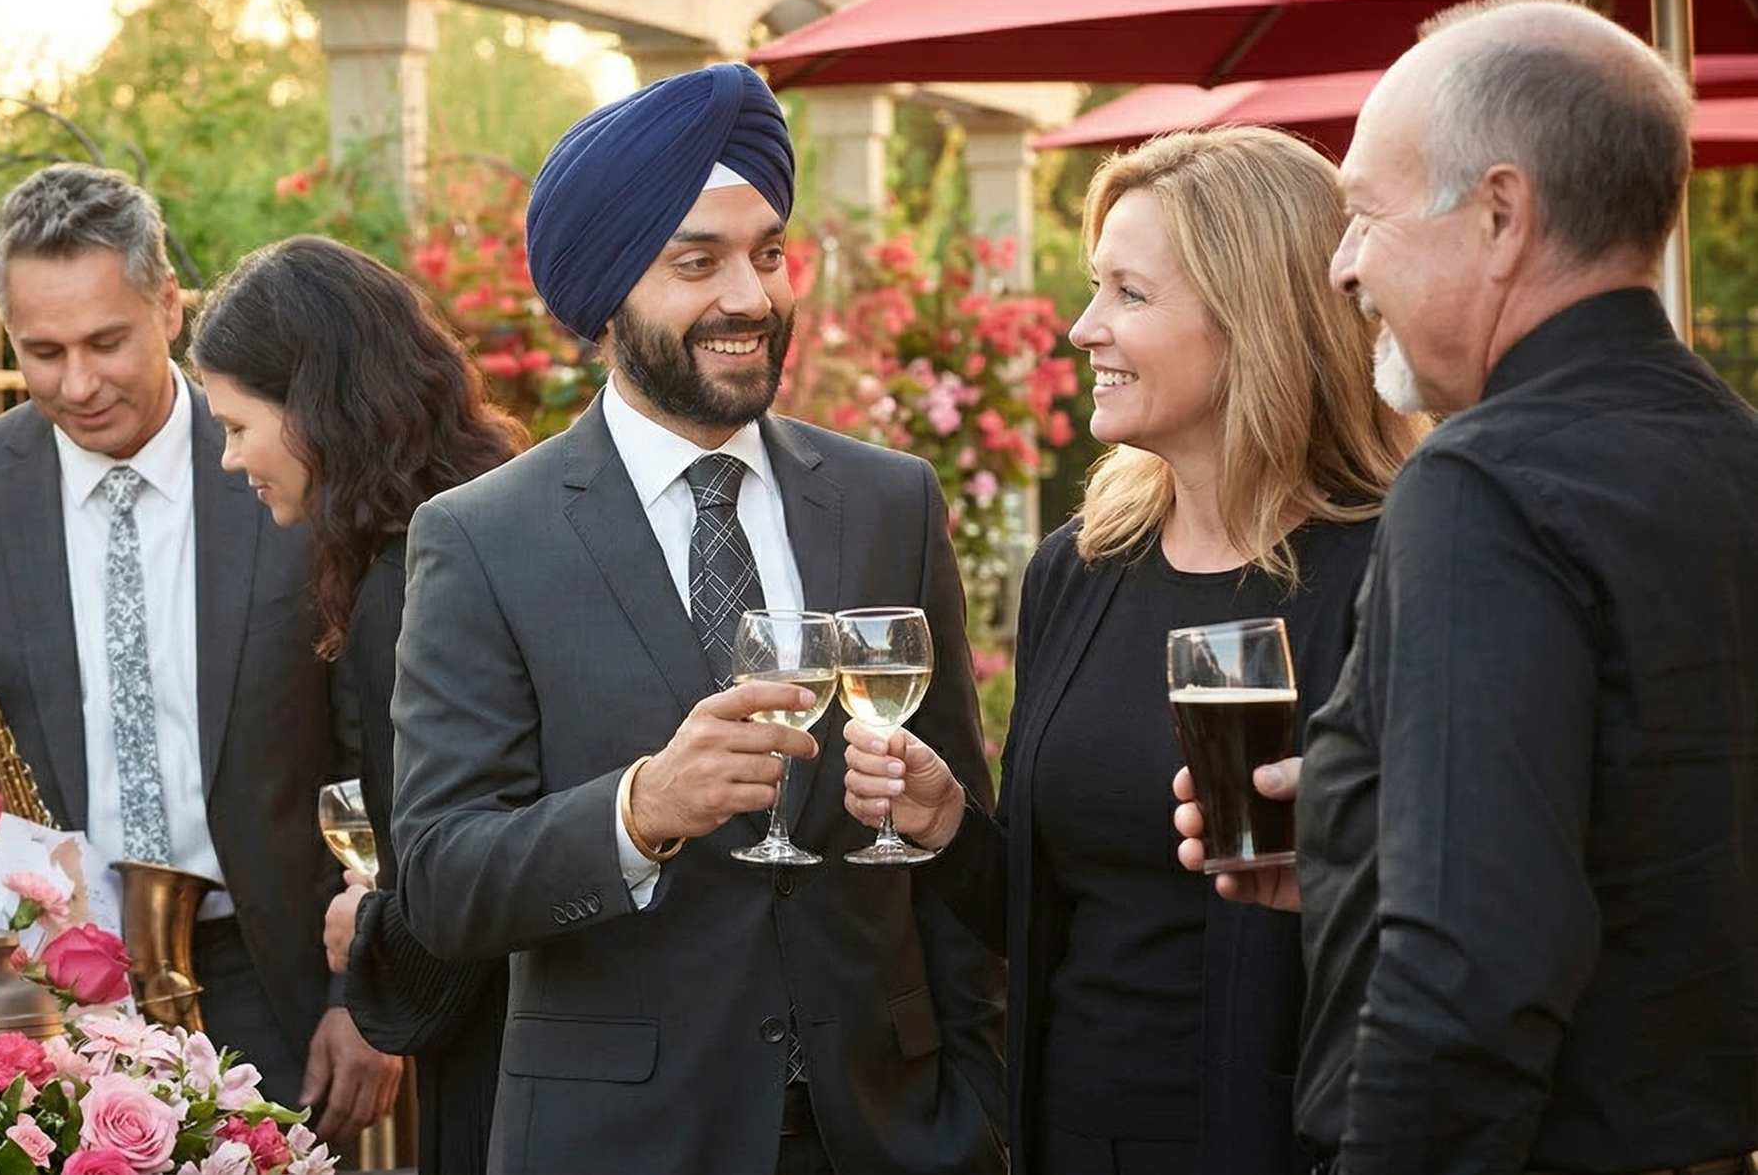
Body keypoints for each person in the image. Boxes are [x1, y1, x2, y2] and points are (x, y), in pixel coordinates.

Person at [388, 61, 1004, 1175]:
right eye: (697, 262)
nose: (752, 296)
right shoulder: (481, 536)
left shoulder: (888, 500)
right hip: (619, 1142)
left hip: (888, 1132)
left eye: (767, 252)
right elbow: (437, 877)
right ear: (607, 289)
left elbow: (959, 853)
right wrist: (637, 809)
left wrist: (981, 1106)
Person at [1182, 0, 1758, 1171]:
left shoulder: (1479, 483)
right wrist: (1360, 859)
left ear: (1501, 214)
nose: (1342, 267)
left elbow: (1470, 972)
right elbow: (1651, 832)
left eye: (1364, 216)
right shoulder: (1733, 449)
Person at [840, 126, 1422, 1175]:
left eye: (1129, 293)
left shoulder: (1392, 568)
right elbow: (1050, 908)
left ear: (1256, 318)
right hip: (1068, 1134)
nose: (1081, 328)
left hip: (1289, 1140)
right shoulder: (1080, 568)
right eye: (1090, 287)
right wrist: (943, 824)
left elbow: (1441, 905)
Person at [0, 164, 400, 1144]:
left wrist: (365, 992)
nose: (77, 382)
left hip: (275, 975)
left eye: (106, 341)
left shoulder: (292, 462)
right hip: (44, 993)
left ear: (169, 304)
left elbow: (378, 760)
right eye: (41, 350)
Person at [187, 234, 528, 1173]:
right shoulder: (496, 517)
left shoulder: (403, 584)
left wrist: (370, 931)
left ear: (313, 409)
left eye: (236, 424)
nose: (226, 459)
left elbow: (454, 865)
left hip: (508, 1054)